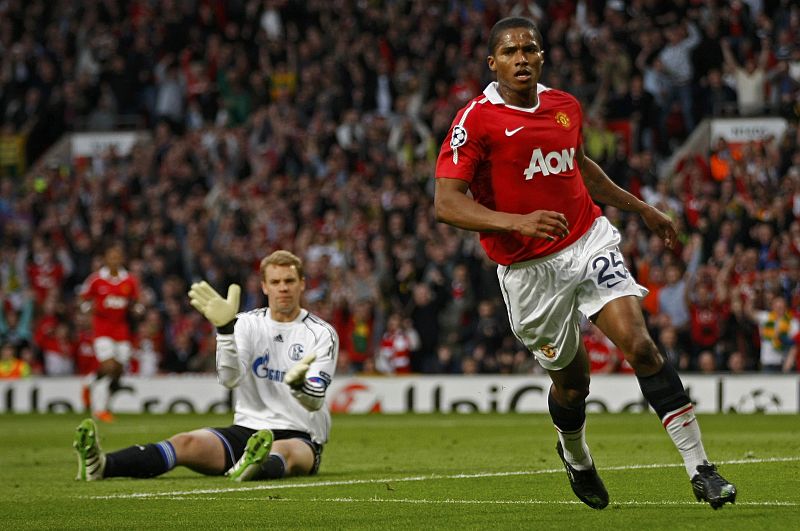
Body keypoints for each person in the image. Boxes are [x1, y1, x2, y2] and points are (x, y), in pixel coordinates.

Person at [433, 17, 736, 510]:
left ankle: (701, 468)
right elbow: (446, 202)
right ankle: (575, 455)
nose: (522, 58)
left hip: (587, 241)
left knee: (640, 346)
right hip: (529, 272)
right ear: (493, 63)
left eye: (529, 49)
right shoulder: (476, 120)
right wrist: (517, 222)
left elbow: (580, 167)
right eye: (510, 52)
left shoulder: (564, 106)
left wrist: (641, 207)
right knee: (574, 386)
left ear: (542, 56)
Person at [73, 250, 339, 483]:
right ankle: (102, 465)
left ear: (302, 284)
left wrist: (299, 387)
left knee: (282, 452)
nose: (283, 288)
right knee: (184, 443)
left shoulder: (321, 333)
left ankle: (253, 465)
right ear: (264, 286)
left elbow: (315, 401)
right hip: (247, 431)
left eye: (290, 281)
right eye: (276, 282)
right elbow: (229, 379)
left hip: (300, 434)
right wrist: (224, 331)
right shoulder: (246, 323)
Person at [78, 243, 144, 422]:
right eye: (111, 256)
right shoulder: (96, 279)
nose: (115, 259)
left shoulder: (129, 280)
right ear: (106, 259)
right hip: (102, 330)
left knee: (118, 370)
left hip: (122, 330)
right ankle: (99, 410)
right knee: (109, 366)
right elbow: (83, 299)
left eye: (117, 256)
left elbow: (137, 302)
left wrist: (138, 309)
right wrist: (86, 309)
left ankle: (90, 382)